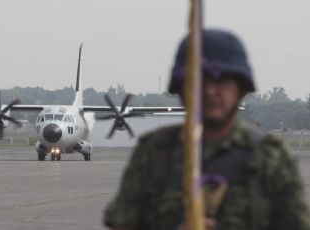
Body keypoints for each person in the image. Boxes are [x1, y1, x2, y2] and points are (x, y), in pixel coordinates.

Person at [103, 29, 310, 230]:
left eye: (223, 80)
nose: (211, 91)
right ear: (181, 88)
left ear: (241, 87)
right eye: (199, 79)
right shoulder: (152, 154)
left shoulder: (271, 157)